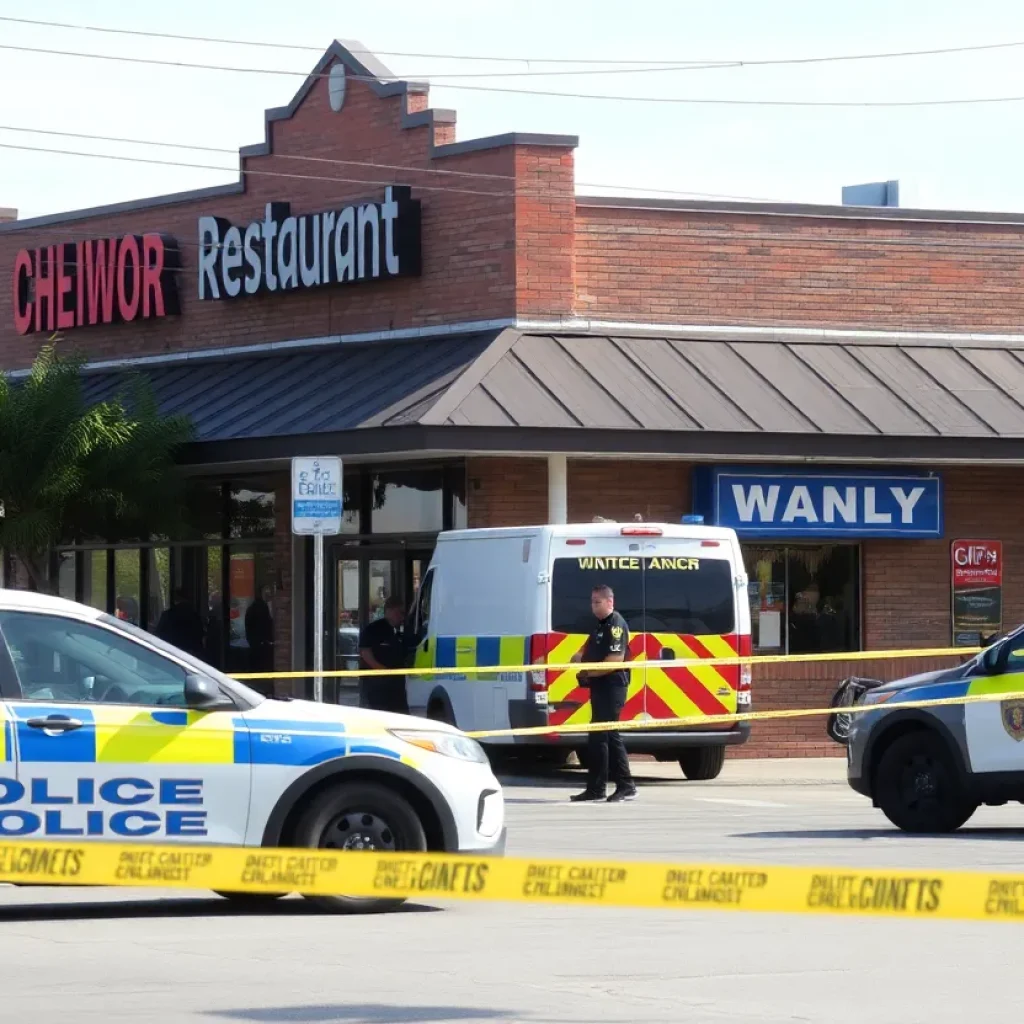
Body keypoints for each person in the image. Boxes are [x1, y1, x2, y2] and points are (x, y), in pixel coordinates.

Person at [570, 584, 638, 803]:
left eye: (597, 602)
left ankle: (626, 785)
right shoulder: (599, 625)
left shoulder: (616, 624)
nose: (593, 606)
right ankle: (596, 788)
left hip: (613, 685)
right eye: (592, 602)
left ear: (610, 602)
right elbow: (583, 651)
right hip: (599, 685)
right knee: (597, 736)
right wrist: (580, 659)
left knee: (609, 734)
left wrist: (587, 672)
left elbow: (614, 661)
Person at [358, 596, 409, 714]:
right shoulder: (373, 629)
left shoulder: (400, 632)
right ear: (389, 610)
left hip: (397, 685)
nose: (402, 617)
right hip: (377, 684)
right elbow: (365, 652)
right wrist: (382, 670)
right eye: (399, 612)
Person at [156, 588, 205, 659]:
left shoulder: (168, 614)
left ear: (174, 600)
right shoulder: (194, 615)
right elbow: (199, 634)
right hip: (190, 653)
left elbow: (159, 633)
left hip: (171, 651)